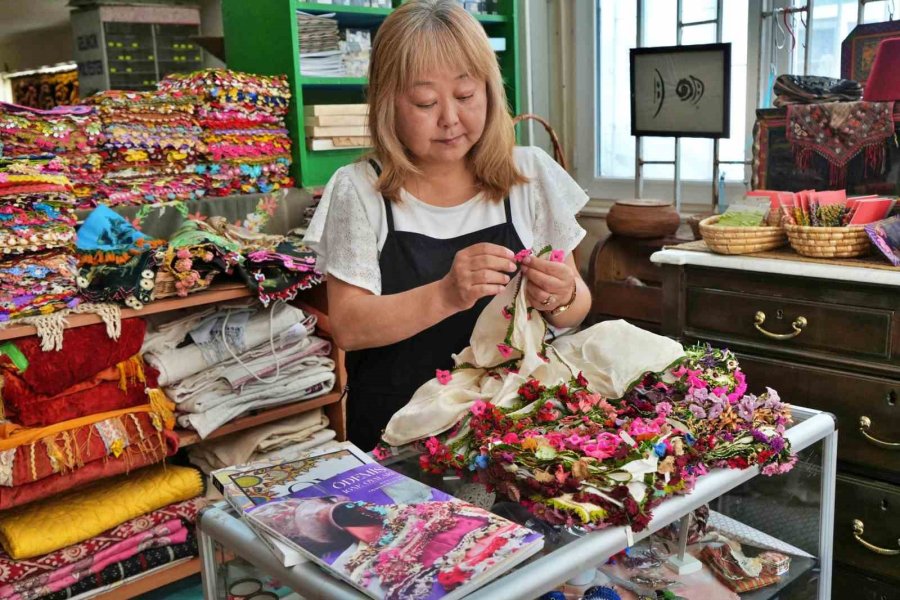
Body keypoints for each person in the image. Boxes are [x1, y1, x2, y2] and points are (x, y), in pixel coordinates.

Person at [305, 0, 591, 450]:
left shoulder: (530, 176)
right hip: (397, 435)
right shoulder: (359, 189)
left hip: (512, 430)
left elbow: (576, 305)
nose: (449, 119)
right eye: (424, 102)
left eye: (465, 95)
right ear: (388, 105)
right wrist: (445, 294)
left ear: (489, 91)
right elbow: (350, 326)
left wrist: (561, 294)